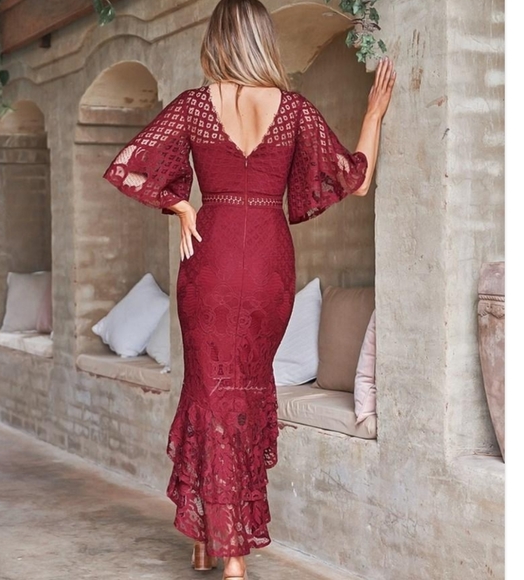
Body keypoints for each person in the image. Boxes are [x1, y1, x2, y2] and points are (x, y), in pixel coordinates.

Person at [103, 0, 396, 577]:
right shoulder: (293, 110)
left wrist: (182, 204)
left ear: (217, 40)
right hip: (267, 266)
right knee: (240, 391)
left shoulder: (194, 105)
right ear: (264, 40)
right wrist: (373, 115)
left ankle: (220, 543)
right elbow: (355, 180)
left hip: (208, 260)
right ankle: (218, 540)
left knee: (208, 389)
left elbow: (127, 166)